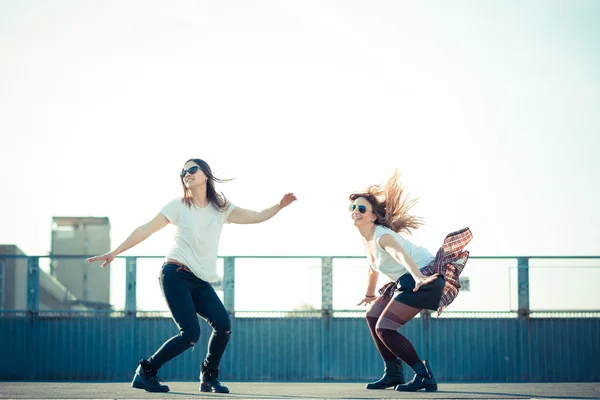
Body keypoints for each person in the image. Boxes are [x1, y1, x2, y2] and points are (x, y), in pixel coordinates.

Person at [87, 158, 297, 394]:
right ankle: (146, 372)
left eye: (192, 169)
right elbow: (146, 228)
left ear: (205, 174)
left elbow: (256, 216)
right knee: (190, 334)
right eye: (183, 172)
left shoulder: (221, 208)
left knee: (223, 325)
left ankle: (208, 376)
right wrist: (115, 252)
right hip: (175, 274)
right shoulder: (178, 205)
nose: (186, 174)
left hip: (199, 280)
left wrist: (279, 206)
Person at [351, 169, 472, 392]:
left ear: (373, 216)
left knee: (385, 327)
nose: (355, 212)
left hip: (425, 276)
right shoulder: (367, 239)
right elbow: (373, 267)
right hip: (408, 280)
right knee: (372, 316)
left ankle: (423, 375)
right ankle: (393, 373)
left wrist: (418, 277)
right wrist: (369, 295)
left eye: (361, 208)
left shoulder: (382, 236)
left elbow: (400, 256)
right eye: (353, 208)